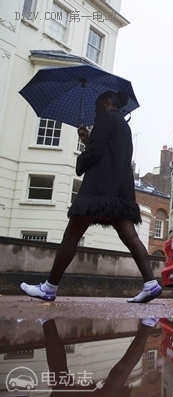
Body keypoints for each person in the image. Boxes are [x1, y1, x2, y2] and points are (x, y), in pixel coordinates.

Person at [20, 91, 162, 303]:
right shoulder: (124, 125)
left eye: (97, 106)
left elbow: (96, 152)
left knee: (72, 233)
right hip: (121, 188)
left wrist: (83, 159)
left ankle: (49, 288)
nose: (95, 110)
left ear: (106, 102)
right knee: (129, 234)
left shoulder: (104, 116)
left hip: (99, 187)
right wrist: (88, 139)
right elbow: (108, 152)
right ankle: (150, 283)